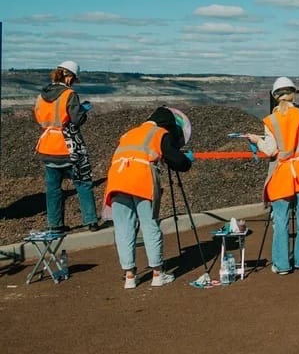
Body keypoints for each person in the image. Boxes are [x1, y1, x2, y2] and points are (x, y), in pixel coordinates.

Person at [103, 107, 193, 289]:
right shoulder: (160, 133)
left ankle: (129, 276)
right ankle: (158, 274)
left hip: (117, 180)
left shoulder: (129, 133)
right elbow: (176, 159)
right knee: (149, 225)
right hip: (142, 180)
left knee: (123, 228)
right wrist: (187, 160)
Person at [247, 77, 299, 275]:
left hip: (282, 174)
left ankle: (282, 264)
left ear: (275, 96)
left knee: (281, 221)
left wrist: (256, 140)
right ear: (293, 93)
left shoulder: (271, 120)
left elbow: (270, 150)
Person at [33, 60, 99, 232]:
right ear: (69, 77)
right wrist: (83, 110)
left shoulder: (41, 96)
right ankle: (91, 221)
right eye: (75, 79)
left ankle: (55, 225)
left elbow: (40, 119)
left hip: (47, 147)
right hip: (68, 147)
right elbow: (77, 120)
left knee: (53, 188)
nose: (75, 83)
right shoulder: (69, 94)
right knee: (83, 182)